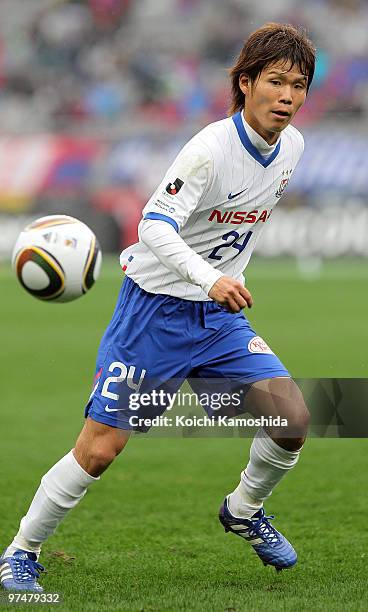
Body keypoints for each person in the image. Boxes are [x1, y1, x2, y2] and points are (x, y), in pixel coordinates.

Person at [1, 22, 316, 592]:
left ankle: (243, 510)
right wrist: (210, 276)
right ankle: (21, 552)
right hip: (154, 312)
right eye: (275, 81)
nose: (288, 96)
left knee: (292, 418)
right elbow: (152, 225)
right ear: (245, 83)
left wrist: (221, 283)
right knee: (100, 449)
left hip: (217, 320)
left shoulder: (291, 147)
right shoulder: (208, 150)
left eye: (299, 85)